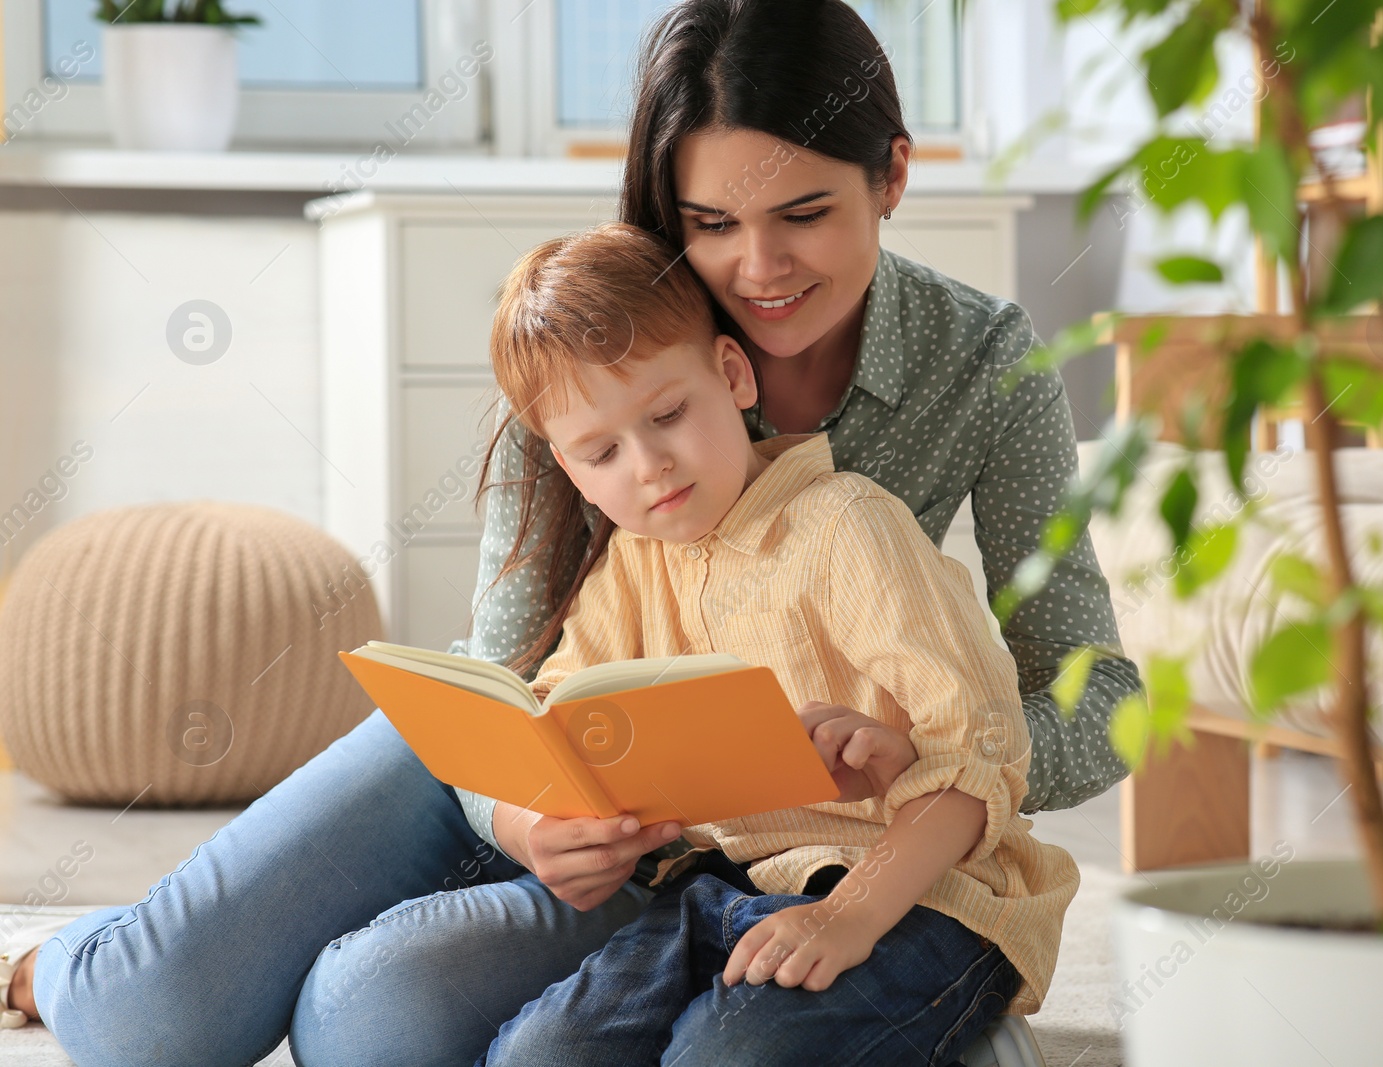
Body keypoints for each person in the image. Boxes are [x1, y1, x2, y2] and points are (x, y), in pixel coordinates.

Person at [10, 2, 1138, 1064]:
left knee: (368, 1020)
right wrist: (522, 813)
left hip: (743, 846)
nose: (759, 268)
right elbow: (505, 683)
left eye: (804, 215)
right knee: (139, 1017)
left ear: (892, 176)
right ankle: (78, 954)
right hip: (538, 764)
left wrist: (926, 760)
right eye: (711, 224)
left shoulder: (983, 363)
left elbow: (1099, 694)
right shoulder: (601, 341)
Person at [470, 219, 1077, 1066]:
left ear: (731, 373)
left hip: (929, 896)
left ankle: (971, 1032)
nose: (648, 466)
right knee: (539, 1053)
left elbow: (977, 761)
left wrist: (850, 914)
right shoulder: (635, 565)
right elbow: (561, 713)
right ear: (569, 469)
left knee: (726, 1057)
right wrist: (557, 814)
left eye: (670, 413)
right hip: (730, 886)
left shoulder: (846, 526)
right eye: (601, 451)